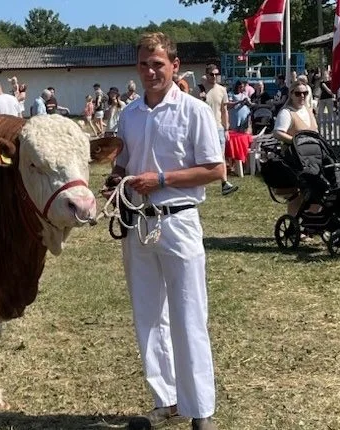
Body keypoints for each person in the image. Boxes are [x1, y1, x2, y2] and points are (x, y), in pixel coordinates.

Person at [107, 31, 222, 430]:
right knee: (148, 316)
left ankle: (200, 409)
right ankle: (167, 398)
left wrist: (161, 179)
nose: (150, 71)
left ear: (174, 65)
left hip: (179, 220)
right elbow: (123, 162)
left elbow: (215, 169)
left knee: (189, 315)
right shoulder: (129, 113)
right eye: (144, 64)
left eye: (158, 64)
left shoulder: (194, 111)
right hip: (138, 223)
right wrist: (116, 178)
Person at [273, 82, 319, 217]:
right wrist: (295, 141)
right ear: (291, 95)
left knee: (318, 190)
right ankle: (294, 226)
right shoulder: (287, 113)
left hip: (312, 156)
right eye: (298, 93)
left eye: (305, 93)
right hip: (294, 157)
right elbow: (277, 133)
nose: (302, 96)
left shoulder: (308, 110)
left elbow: (315, 131)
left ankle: (310, 222)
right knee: (297, 193)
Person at [203, 63, 239, 195]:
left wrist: (226, 128)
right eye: (211, 74)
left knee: (221, 156)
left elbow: (224, 110)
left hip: (218, 127)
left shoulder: (222, 90)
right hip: (203, 128)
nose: (214, 77)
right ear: (206, 75)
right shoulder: (199, 90)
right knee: (203, 156)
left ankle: (224, 183)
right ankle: (201, 184)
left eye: (216, 74)